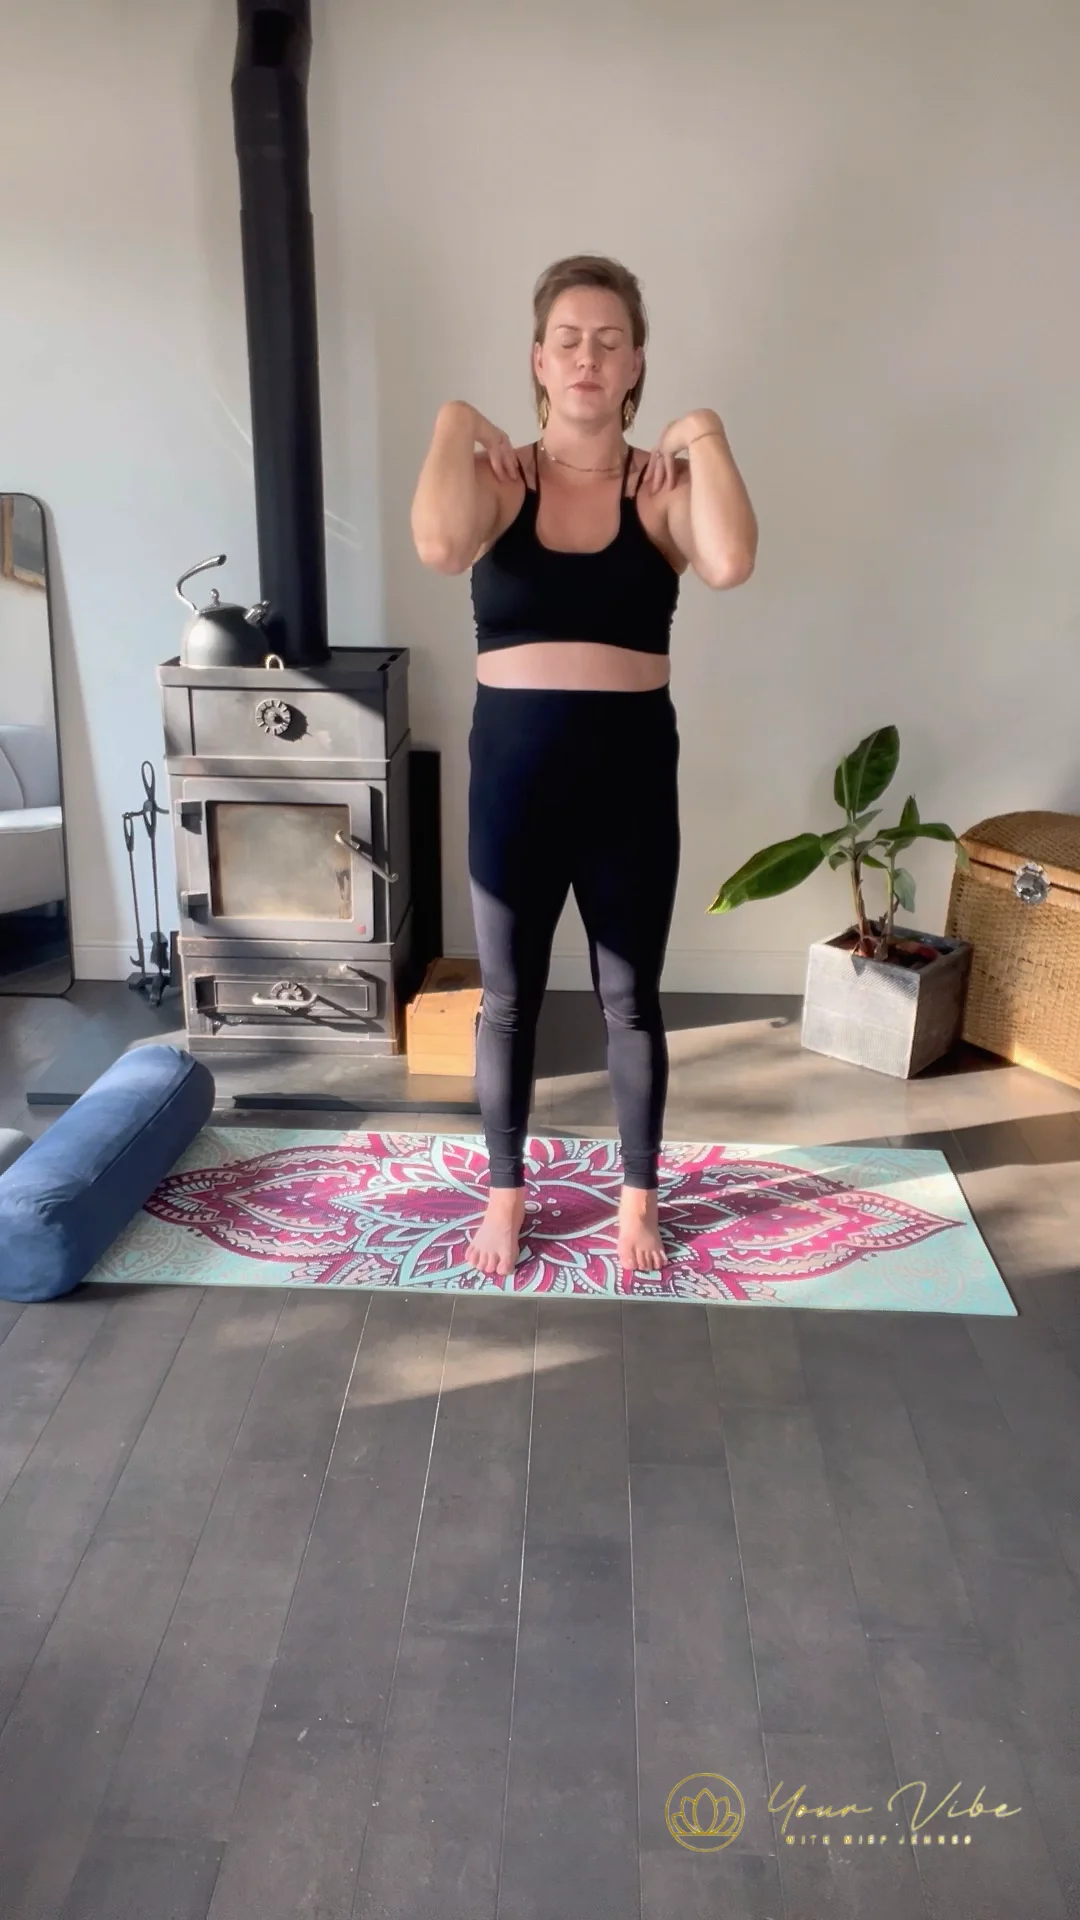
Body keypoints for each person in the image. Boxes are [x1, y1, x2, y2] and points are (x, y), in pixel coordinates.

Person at [410, 254, 757, 1279]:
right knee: (508, 1000)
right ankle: (506, 1195)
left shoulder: (660, 492)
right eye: (568, 340)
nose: (588, 357)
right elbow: (437, 545)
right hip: (514, 790)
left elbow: (730, 560)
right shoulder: (498, 482)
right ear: (539, 360)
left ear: (636, 362)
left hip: (628, 790)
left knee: (630, 999)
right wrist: (454, 420)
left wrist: (702, 431)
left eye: (609, 341)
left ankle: (637, 1199)